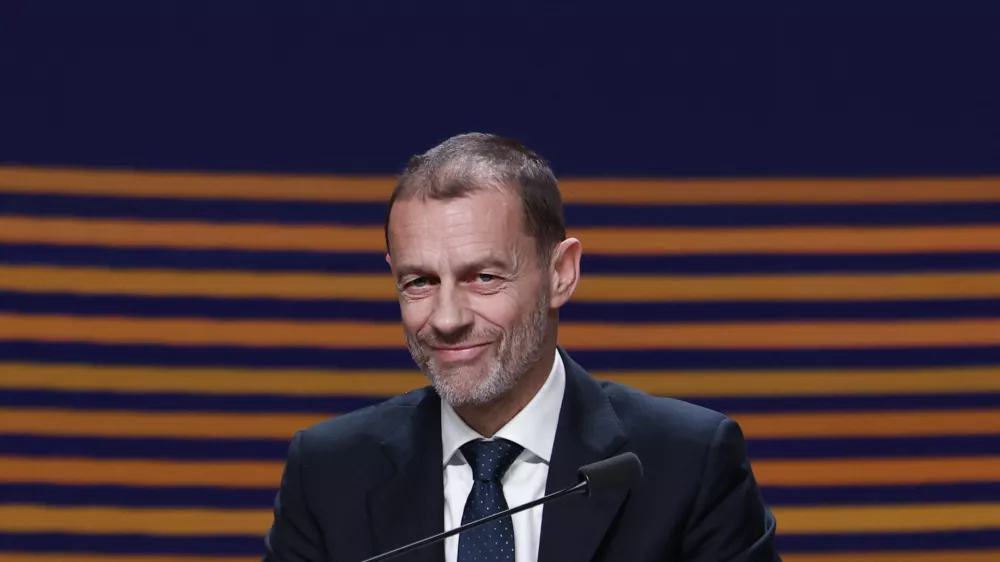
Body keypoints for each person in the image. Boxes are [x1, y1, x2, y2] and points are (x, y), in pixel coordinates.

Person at [261, 133, 781, 562]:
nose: (446, 319)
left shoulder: (686, 463)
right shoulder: (329, 473)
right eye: (418, 281)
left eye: (483, 277)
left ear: (561, 274)